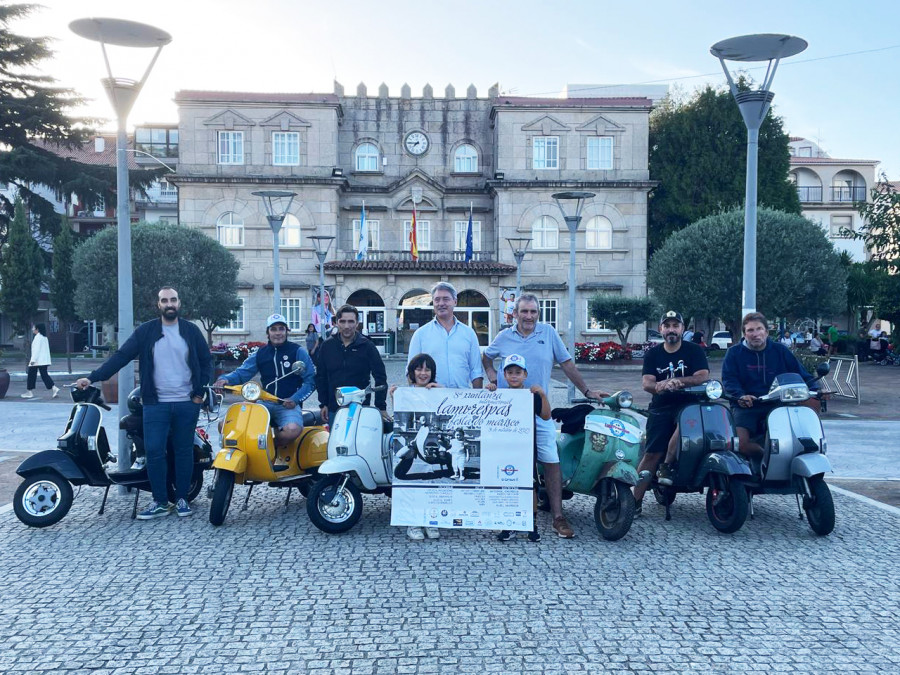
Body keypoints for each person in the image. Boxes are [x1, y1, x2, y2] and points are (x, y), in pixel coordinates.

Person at [76, 287, 212, 519]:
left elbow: (206, 361)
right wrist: (93, 377)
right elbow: (121, 356)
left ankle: (181, 499)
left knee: (183, 451)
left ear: (179, 303)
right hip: (155, 403)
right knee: (155, 451)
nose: (169, 304)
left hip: (186, 403)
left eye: (173, 300)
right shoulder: (146, 331)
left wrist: (198, 395)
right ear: (158, 304)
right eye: (164, 300)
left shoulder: (190, 331)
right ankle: (160, 501)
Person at [482, 293, 607, 539]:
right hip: (507, 413)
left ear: (538, 314)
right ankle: (505, 513)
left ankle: (558, 516)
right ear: (514, 313)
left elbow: (567, 364)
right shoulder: (504, 336)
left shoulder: (548, 334)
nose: (529, 316)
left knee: (550, 459)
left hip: (540, 410)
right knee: (504, 461)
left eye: (533, 312)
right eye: (524, 311)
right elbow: (486, 357)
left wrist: (587, 390)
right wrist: (492, 376)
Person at [632, 311, 710, 511]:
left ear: (683, 329)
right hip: (661, 406)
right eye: (667, 326)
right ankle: (633, 501)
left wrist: (679, 382)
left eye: (676, 326)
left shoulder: (694, 351)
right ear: (661, 330)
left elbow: (702, 376)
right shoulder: (653, 354)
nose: (671, 330)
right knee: (651, 454)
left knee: (689, 421)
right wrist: (660, 386)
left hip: (690, 404)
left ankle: (667, 465)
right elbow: (647, 383)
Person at [722, 312, 817, 461]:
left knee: (794, 438)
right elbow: (729, 379)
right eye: (750, 330)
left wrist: (817, 388)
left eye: (759, 329)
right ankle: (765, 461)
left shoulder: (780, 351)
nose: (755, 334)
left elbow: (801, 374)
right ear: (745, 334)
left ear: (766, 332)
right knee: (740, 444)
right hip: (746, 406)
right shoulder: (734, 353)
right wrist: (740, 395)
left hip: (777, 405)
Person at [214, 313, 316, 449]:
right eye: (273, 329)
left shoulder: (298, 351)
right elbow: (242, 373)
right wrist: (224, 379)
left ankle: (271, 449)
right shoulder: (260, 353)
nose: (278, 333)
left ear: (287, 331)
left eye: (281, 328)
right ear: (268, 332)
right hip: (263, 402)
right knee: (225, 424)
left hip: (287, 404)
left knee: (292, 430)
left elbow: (310, 381)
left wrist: (295, 399)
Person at [488, 354, 550, 543]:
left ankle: (531, 523)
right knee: (505, 486)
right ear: (504, 375)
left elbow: (546, 416)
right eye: (510, 372)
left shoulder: (531, 395)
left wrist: (542, 394)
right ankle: (508, 524)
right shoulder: (499, 395)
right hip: (504, 449)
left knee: (529, 486)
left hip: (525, 449)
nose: (514, 376)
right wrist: (488, 391)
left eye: (518, 372)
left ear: (525, 374)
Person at [389, 352, 442, 541]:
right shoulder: (406, 393)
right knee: (413, 486)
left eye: (427, 369)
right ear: (412, 372)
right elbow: (398, 415)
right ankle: (413, 521)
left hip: (427, 453)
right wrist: (395, 396)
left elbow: (452, 403)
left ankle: (431, 520)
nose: (423, 373)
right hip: (414, 454)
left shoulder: (438, 391)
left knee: (430, 485)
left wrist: (443, 390)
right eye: (419, 368)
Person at [315, 304, 388, 423]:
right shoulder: (327, 346)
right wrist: (323, 403)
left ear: (357, 323)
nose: (347, 326)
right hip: (335, 408)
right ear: (337, 322)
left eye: (351, 321)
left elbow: (380, 376)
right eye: (342, 321)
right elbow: (320, 377)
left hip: (361, 406)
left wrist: (381, 406)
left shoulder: (367, 346)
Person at [407, 282, 483, 389]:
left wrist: (477, 399)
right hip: (431, 399)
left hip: (462, 400)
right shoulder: (420, 334)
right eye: (437, 300)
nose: (441, 303)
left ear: (455, 301)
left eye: (446, 299)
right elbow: (410, 372)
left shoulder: (469, 334)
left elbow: (476, 371)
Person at [21, 323, 59, 399]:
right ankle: (54, 388)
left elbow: (36, 350)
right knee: (44, 375)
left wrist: (33, 360)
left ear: (37, 329)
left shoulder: (38, 338)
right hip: (44, 361)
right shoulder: (44, 338)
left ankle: (29, 392)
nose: (32, 329)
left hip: (37, 361)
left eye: (34, 328)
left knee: (31, 375)